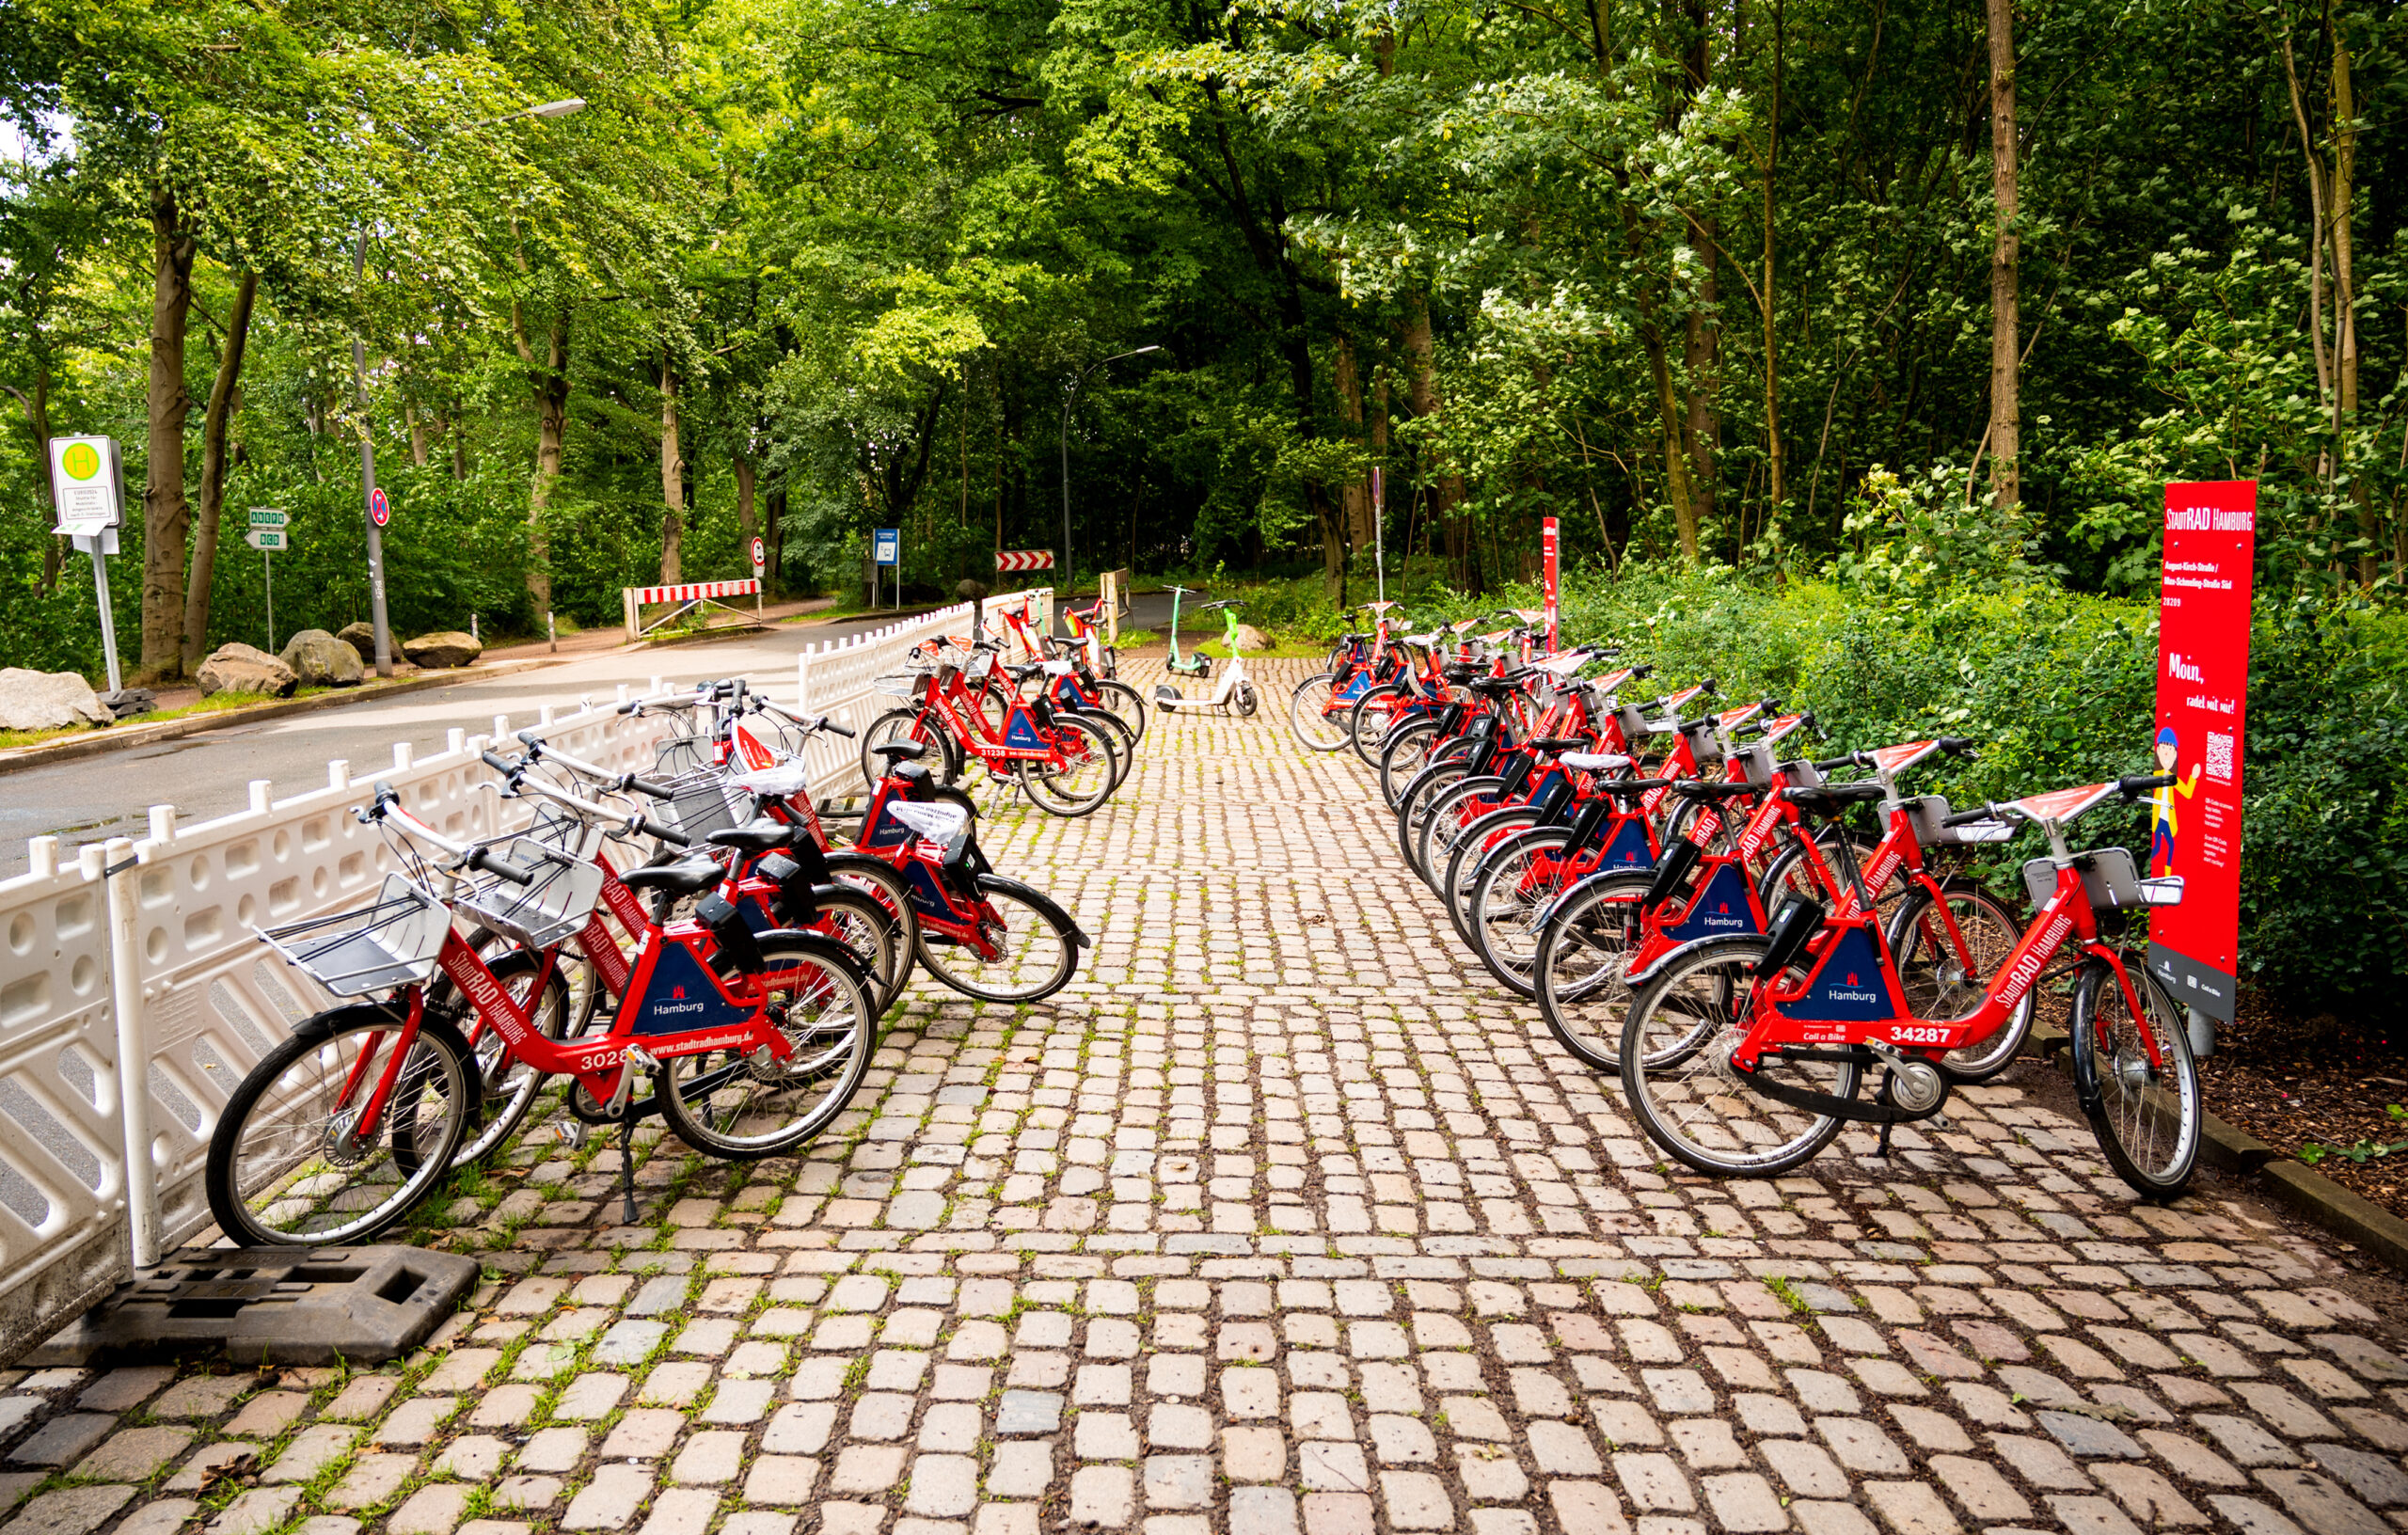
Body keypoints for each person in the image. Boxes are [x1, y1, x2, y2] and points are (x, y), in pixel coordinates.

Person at [2148, 725, 2201, 877]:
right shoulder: (2156, 775)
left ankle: (2167, 875)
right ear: (2158, 751)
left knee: (2170, 846)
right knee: (2158, 847)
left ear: (2175, 754)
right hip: (2159, 818)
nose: (2166, 752)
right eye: (2163, 748)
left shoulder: (2173, 779)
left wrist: (2193, 777)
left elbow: (2188, 793)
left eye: (2170, 749)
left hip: (2168, 820)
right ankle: (2138, 872)